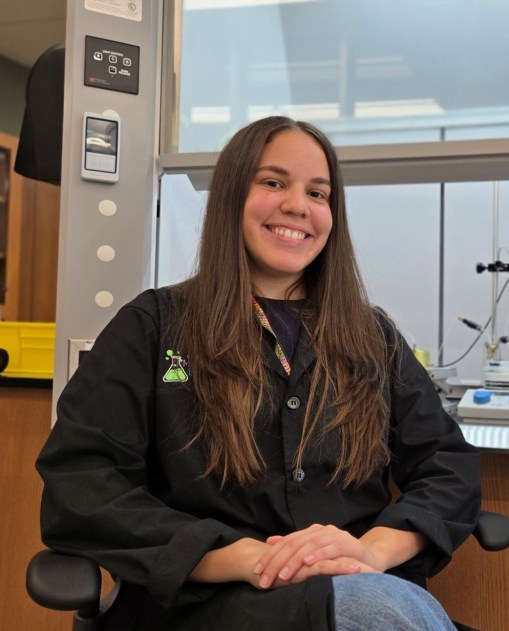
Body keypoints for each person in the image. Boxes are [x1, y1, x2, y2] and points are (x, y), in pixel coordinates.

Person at [36, 116, 481, 630]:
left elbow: (448, 467)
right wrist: (244, 557)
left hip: (364, 591)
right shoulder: (153, 327)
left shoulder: (372, 336)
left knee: (374, 607)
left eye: (318, 193)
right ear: (232, 196)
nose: (298, 205)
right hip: (206, 605)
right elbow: (83, 484)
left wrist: (371, 551)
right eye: (273, 182)